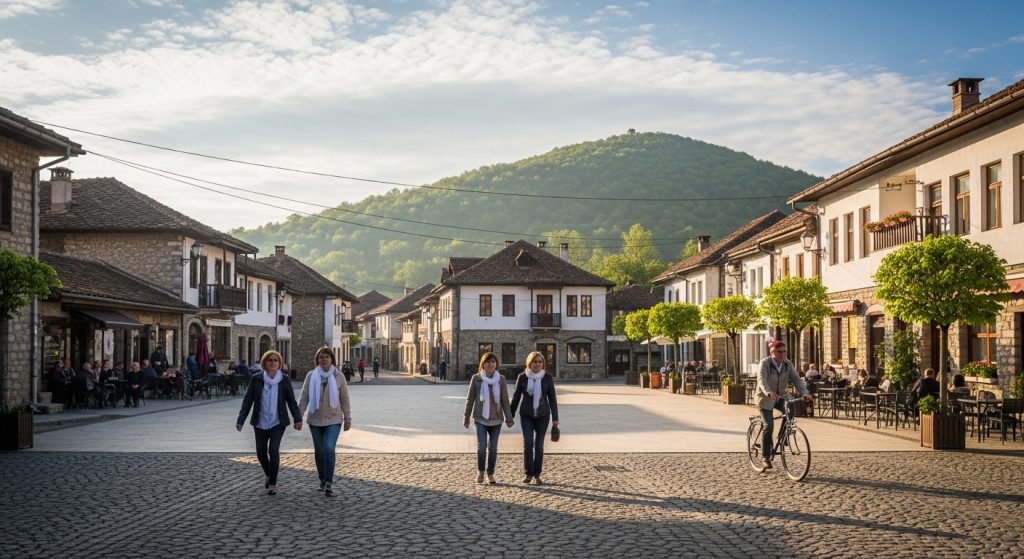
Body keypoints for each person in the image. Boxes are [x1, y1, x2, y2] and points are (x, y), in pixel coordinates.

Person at [236, 350, 302, 496]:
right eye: (270, 360)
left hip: (277, 422)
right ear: (265, 363)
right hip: (260, 422)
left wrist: (297, 418)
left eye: (276, 360)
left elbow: (291, 401)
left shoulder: (284, 380)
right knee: (260, 452)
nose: (273, 363)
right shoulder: (256, 379)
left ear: (279, 363)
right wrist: (241, 420)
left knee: (273, 450)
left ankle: (273, 483)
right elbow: (248, 401)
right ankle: (269, 473)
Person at [299, 347, 352, 497]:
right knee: (319, 451)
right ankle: (322, 479)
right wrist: (298, 417)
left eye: (327, 357)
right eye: (321, 357)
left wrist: (347, 418)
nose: (324, 359)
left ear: (332, 359)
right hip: (315, 420)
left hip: (333, 419)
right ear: (317, 360)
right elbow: (304, 397)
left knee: (329, 448)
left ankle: (329, 481)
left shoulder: (339, 376)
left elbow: (345, 399)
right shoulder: (311, 376)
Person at [755, 340, 811, 470]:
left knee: (791, 407)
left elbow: (797, 380)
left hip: (781, 396)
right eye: (779, 352)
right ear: (772, 352)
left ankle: (783, 435)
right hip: (765, 397)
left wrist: (805, 393)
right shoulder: (765, 363)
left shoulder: (787, 364)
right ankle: (765, 456)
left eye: (784, 351)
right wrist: (768, 392)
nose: (783, 354)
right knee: (768, 426)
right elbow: (761, 379)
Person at [463, 352, 513, 485]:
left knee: (493, 448)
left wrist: (509, 417)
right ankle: (480, 472)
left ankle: (490, 473)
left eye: (493, 362)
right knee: (482, 447)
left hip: (496, 419)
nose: (490, 364)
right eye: (488, 362)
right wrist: (466, 416)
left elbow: (504, 400)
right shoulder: (476, 378)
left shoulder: (501, 379)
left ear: (496, 364)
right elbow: (470, 399)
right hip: (480, 418)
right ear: (483, 364)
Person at [510, 351, 559, 485]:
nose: (537, 364)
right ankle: (528, 474)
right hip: (526, 415)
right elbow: (516, 397)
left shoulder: (547, 378)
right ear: (529, 363)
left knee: (539, 446)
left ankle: (537, 474)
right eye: (534, 361)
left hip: (543, 415)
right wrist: (510, 415)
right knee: (528, 444)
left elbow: (553, 400)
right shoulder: (522, 377)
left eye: (540, 361)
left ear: (543, 363)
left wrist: (556, 418)